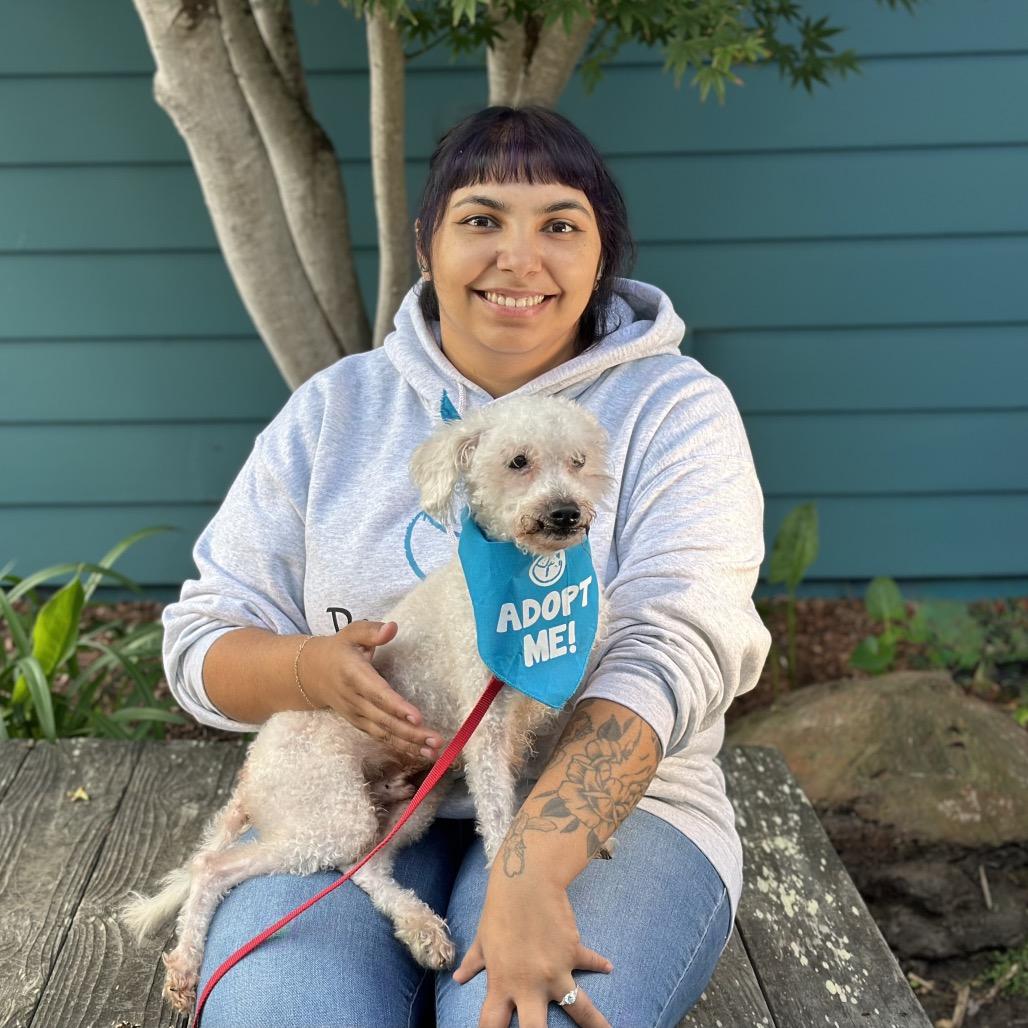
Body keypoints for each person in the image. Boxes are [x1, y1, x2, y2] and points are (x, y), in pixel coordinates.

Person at [161, 104, 772, 1027]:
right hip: (365, 796)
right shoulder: (335, 411)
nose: (518, 259)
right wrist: (307, 673)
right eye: (481, 220)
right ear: (426, 243)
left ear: (601, 254)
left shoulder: (672, 408)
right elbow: (203, 636)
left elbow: (679, 647)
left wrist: (531, 868)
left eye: (560, 226)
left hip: (612, 816)